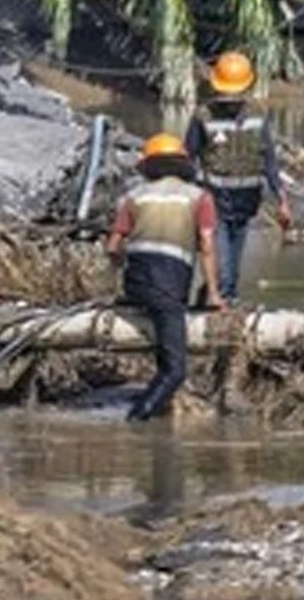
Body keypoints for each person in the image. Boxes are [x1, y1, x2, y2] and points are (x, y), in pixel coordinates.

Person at [106, 133, 224, 422]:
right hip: (169, 287)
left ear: (149, 166)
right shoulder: (199, 197)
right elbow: (207, 246)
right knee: (175, 371)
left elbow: (113, 247)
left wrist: (119, 275)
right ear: (183, 165)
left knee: (164, 356)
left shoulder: (134, 196)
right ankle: (136, 420)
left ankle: (160, 409)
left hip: (135, 285)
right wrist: (213, 293)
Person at [185, 52, 291, 305]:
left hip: (247, 198)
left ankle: (224, 294)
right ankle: (222, 296)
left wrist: (282, 199)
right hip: (215, 198)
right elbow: (188, 157)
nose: (230, 100)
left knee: (235, 251)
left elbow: (269, 159)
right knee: (221, 254)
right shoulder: (203, 116)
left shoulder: (258, 114)